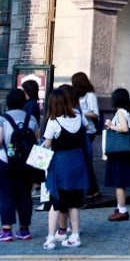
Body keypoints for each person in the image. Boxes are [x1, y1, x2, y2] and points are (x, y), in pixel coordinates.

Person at [41, 84, 88, 249]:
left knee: (56, 201)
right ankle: (75, 236)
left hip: (60, 163)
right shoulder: (77, 116)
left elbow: (47, 144)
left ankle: (51, 238)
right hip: (77, 161)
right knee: (74, 201)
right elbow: (86, 128)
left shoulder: (53, 122)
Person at [0, 87, 35, 242]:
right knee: (24, 195)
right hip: (25, 163)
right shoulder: (31, 119)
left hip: (4, 161)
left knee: (5, 195)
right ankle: (24, 229)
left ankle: (6, 230)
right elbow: (37, 140)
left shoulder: (2, 119)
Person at [103, 88, 130, 221]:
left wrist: (111, 126)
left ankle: (122, 210)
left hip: (119, 153)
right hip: (124, 152)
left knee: (119, 182)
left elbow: (124, 128)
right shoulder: (125, 112)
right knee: (120, 181)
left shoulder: (119, 113)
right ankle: (120, 206)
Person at [71, 72, 103, 202]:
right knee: (83, 160)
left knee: (85, 160)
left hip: (89, 131)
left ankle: (91, 189)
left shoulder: (90, 95)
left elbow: (95, 114)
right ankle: (91, 189)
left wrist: (80, 112)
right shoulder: (77, 96)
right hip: (80, 130)